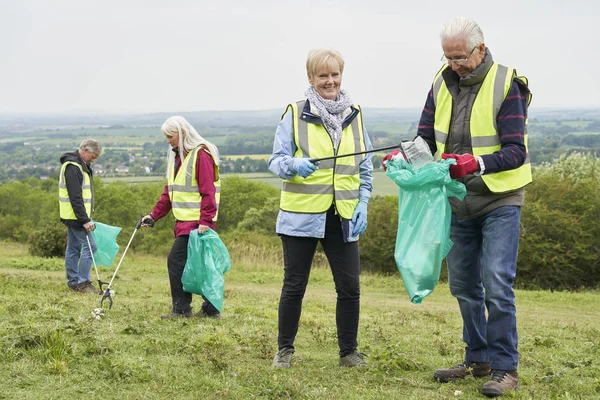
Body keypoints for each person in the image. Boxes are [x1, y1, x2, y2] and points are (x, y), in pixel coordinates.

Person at [391, 17, 531, 397]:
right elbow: (423, 138)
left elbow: (517, 151)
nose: (453, 64)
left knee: (496, 283)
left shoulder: (507, 83)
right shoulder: (440, 81)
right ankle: (478, 358)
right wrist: (405, 157)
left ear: (480, 49)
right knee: (464, 285)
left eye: (460, 57)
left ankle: (505, 369)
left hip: (499, 198)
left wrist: (477, 163)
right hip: (454, 199)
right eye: (448, 56)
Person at [268, 48, 374, 368]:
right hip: (301, 217)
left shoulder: (355, 113)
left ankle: (348, 353)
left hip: (342, 216)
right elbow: (275, 161)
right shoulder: (295, 113)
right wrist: (293, 165)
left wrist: (363, 203)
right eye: (323, 75)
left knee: (350, 287)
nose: (330, 81)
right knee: (294, 286)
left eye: (335, 74)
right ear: (311, 78)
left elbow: (364, 166)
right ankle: (284, 351)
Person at [142, 116, 222, 319]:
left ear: (183, 133)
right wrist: (153, 216)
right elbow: (169, 193)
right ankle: (210, 310)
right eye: (166, 137)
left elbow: (208, 192)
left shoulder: (201, 155)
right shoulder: (177, 158)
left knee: (176, 262)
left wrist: (205, 221)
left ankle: (182, 309)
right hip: (185, 223)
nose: (168, 140)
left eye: (171, 135)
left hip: (197, 224)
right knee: (200, 265)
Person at [59, 139, 103, 294]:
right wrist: (84, 220)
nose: (94, 159)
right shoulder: (73, 167)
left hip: (72, 215)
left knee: (73, 247)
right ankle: (83, 283)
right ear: (84, 150)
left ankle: (73, 281)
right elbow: (75, 197)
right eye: (93, 155)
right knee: (91, 246)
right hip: (75, 217)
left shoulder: (80, 165)